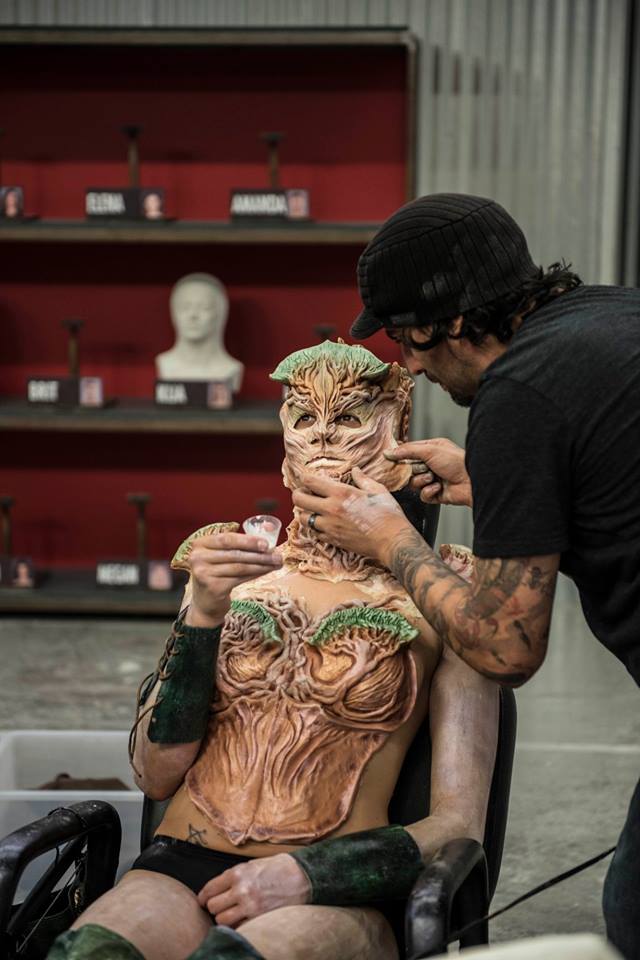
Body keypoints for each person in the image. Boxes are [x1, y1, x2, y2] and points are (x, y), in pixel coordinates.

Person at [48, 340, 498, 960]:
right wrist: (202, 617)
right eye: (304, 417)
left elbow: (460, 826)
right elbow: (155, 775)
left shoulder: (449, 593)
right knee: (88, 953)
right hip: (179, 866)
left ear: (396, 426)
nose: (323, 437)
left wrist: (308, 875)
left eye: (348, 417)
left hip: (330, 886)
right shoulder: (231, 573)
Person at [291, 194, 640, 960]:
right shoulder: (611, 316)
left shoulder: (518, 393)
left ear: (450, 323)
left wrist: (390, 541)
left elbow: (505, 647)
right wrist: (499, 480)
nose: (410, 366)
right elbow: (612, 468)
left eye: (407, 340)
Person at [155, 273, 244, 391]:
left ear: (220, 314)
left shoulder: (231, 368)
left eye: (205, 307)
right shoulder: (165, 363)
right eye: (185, 307)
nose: (193, 315)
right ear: (174, 313)